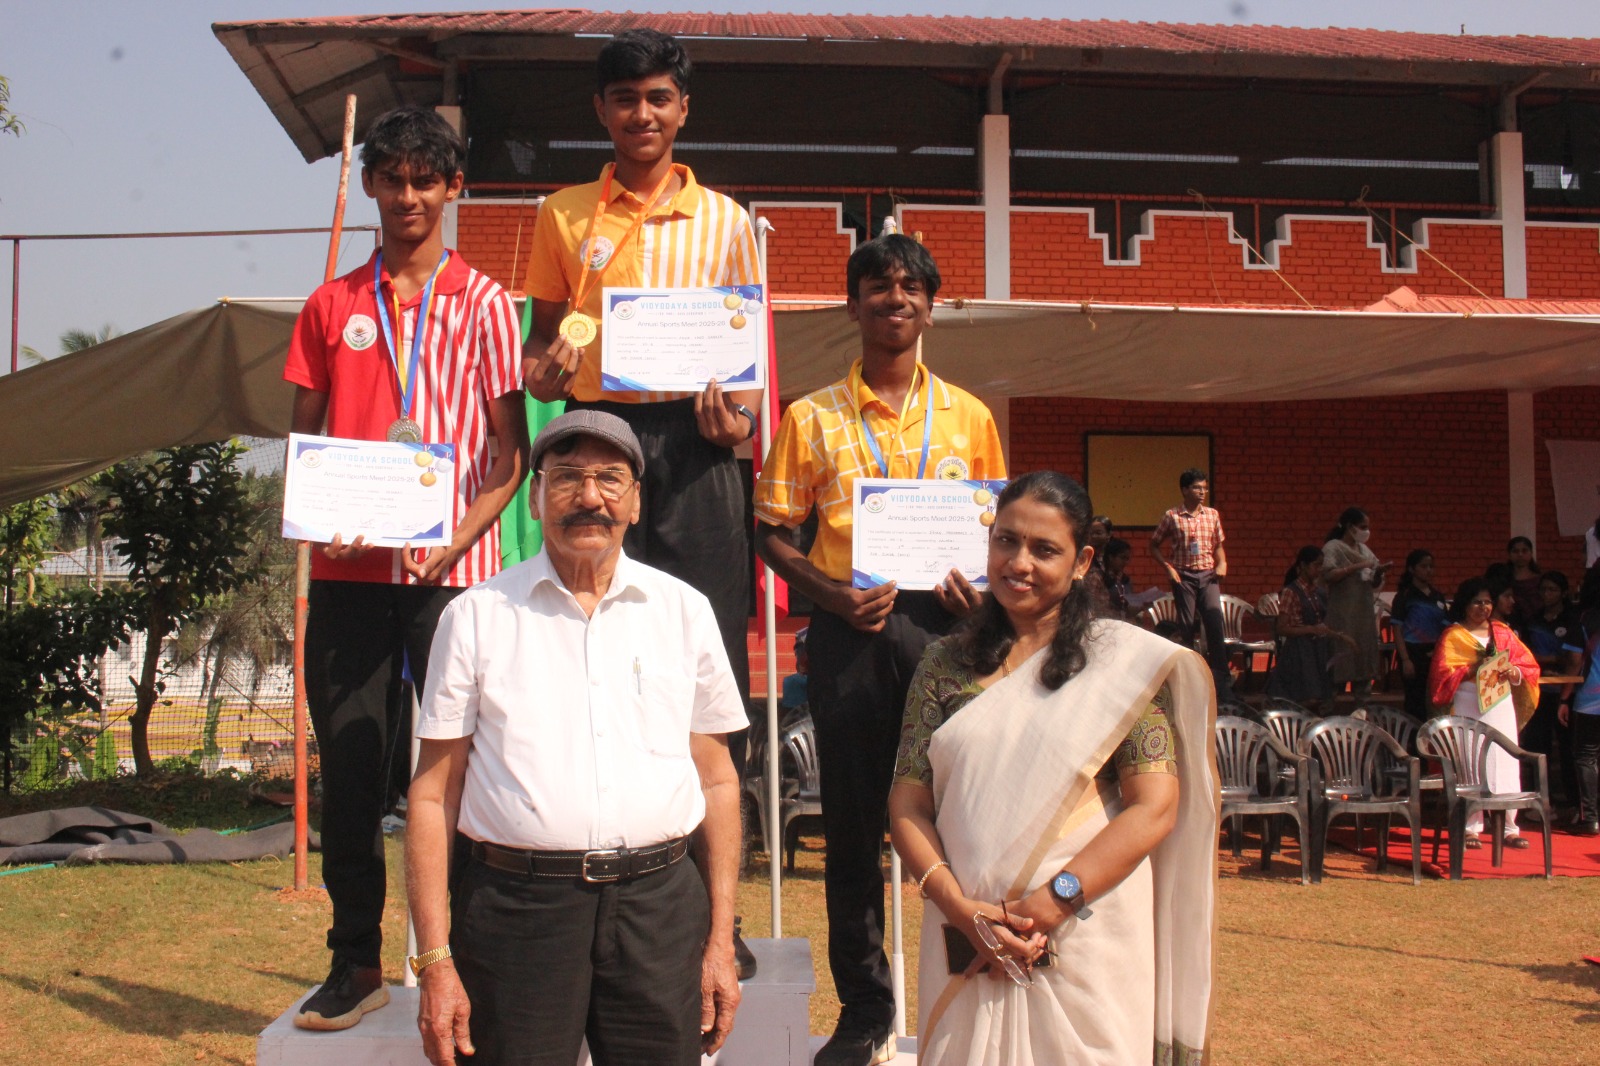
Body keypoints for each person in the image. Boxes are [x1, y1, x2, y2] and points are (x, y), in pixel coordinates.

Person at [282, 106, 527, 1031]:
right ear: (371, 186)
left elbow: (510, 457)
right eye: (393, 179)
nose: (410, 195)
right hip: (349, 581)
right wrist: (322, 521)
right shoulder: (330, 305)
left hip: (455, 581)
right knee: (351, 770)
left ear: (454, 187)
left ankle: (471, 963)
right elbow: (303, 445)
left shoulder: (488, 303)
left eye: (428, 179)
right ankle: (356, 961)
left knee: (466, 772)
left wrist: (457, 539)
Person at [405, 410, 748, 1066]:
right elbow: (431, 796)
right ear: (535, 497)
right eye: (566, 477)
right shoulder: (475, 616)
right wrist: (435, 961)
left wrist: (720, 941)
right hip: (516, 916)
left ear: (637, 501)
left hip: (659, 911)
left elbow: (718, 780)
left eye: (610, 478)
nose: (590, 496)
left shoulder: (684, 612)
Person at [754, 233, 1005, 1066]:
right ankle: (864, 1010)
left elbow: (995, 534)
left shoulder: (969, 416)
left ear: (932, 307)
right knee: (856, 827)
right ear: (852, 303)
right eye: (878, 286)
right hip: (850, 630)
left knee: (964, 819)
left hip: (950, 631)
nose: (895, 299)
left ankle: (968, 986)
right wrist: (828, 595)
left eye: (910, 287)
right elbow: (771, 531)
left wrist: (982, 595)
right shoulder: (810, 416)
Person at [888, 472, 1216, 1066]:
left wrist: (1051, 901)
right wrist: (959, 909)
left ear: (1081, 561)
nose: (1019, 563)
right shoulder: (944, 664)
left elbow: (1155, 805)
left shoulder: (1119, 667)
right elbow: (908, 804)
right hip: (966, 936)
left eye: (1044, 549)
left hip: (1084, 933)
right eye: (1006, 541)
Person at [521, 27, 762, 769]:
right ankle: (591, 781)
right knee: (586, 609)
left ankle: (716, 798)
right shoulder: (562, 213)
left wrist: (740, 423)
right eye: (625, 99)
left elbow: (746, 352)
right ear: (601, 109)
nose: (642, 114)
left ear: (683, 108)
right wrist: (542, 376)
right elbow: (539, 342)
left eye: (659, 98)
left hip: (698, 441)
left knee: (708, 620)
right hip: (597, 432)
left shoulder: (727, 219)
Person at [1428, 576, 1541, 849]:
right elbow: (1441, 677)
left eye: (1488, 602)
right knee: (1470, 761)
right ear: (1465, 604)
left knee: (1505, 761)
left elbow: (1527, 666)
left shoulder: (1502, 632)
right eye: (1477, 602)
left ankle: (1509, 828)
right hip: (1467, 705)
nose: (1483, 608)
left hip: (1500, 705)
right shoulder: (1453, 636)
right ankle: (1471, 828)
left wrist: (1513, 671)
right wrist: (1473, 669)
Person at [1149, 468, 1232, 699]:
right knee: (1186, 626)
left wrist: (1222, 563)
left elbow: (1218, 546)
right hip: (1183, 576)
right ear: (1185, 490)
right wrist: (1168, 568)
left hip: (1208, 575)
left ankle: (1222, 680)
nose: (1202, 492)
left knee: (1214, 622)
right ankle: (1186, 676)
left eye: (1204, 488)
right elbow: (1153, 545)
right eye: (1197, 488)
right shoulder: (1172, 516)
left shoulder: (1212, 515)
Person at [1519, 570, 1579, 801]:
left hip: (1566, 692)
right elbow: (1525, 654)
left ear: (1563, 593)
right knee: (1538, 745)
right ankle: (1542, 799)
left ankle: (1573, 801)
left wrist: (1555, 661)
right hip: (1538, 691)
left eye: (1552, 590)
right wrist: (1548, 662)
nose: (1547, 594)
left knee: (1568, 748)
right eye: (1543, 589)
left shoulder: (1572, 620)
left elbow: (1574, 658)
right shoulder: (1533, 620)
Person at [1320, 507, 1390, 705]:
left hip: (1363, 616)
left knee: (1363, 662)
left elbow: (1373, 581)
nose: (1366, 531)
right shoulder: (1333, 547)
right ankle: (1328, 711)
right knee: (1339, 661)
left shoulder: (1364, 550)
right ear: (1350, 527)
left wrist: (1379, 572)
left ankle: (1362, 711)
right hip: (1342, 615)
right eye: (1362, 527)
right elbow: (1328, 575)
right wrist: (1356, 567)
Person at [1267, 546, 1342, 711]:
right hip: (1299, 651)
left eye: (1321, 565)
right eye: (1316, 565)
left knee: (1322, 697)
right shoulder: (1291, 592)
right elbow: (1282, 628)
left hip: (1318, 650)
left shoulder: (1318, 592)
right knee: (1305, 698)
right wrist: (1310, 629)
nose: (1319, 570)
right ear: (1302, 566)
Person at [1560, 566, 1600, 835]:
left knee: (1586, 757)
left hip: (1590, 699)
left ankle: (1591, 819)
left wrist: (1564, 698)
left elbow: (1574, 662)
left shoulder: (1585, 619)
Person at [1390, 550, 1452, 721]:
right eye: (1423, 566)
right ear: (1412, 569)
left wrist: (1439, 650)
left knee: (1433, 698)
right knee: (1414, 700)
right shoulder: (1404, 596)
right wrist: (1405, 659)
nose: (1428, 570)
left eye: (1431, 567)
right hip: (1413, 653)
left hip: (1434, 653)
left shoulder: (1437, 596)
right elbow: (1397, 630)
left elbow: (1445, 628)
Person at [1086, 536, 1134, 622]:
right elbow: (1091, 607)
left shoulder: (1124, 580)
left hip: (1123, 623)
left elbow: (1127, 609)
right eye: (1122, 558)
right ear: (1111, 557)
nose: (1125, 562)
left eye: (1127, 559)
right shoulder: (1097, 577)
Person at [1504, 535, 1543, 628]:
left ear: (1531, 553)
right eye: (1515, 551)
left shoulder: (1539, 580)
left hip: (1536, 624)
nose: (1520, 554)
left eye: (1524, 551)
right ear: (1509, 554)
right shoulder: (1504, 579)